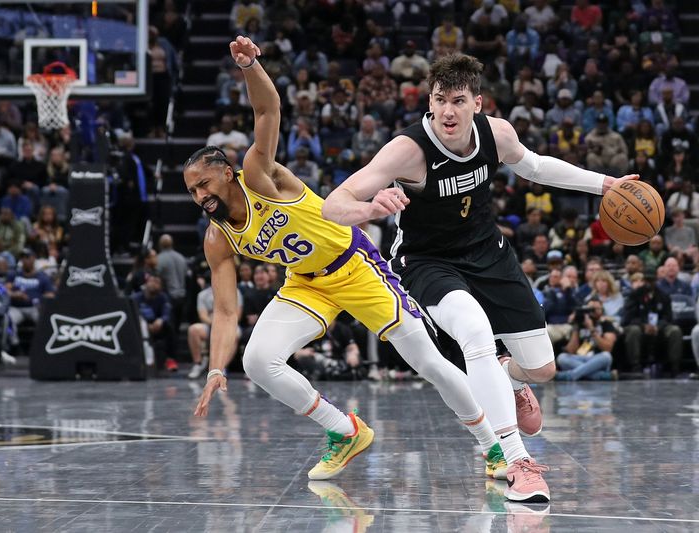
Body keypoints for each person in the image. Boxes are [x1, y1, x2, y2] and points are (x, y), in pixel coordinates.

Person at [185, 37, 510, 495]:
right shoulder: (217, 237)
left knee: (428, 362)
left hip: (354, 264)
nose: (200, 196)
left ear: (226, 173)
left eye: (203, 184)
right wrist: (217, 368)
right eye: (192, 191)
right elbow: (224, 311)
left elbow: (267, 111)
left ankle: (492, 445)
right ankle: (344, 430)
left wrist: (250, 67)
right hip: (306, 283)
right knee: (257, 360)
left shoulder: (258, 174)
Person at [325, 53, 638, 500]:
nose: (447, 111)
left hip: (488, 252)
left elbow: (536, 166)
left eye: (457, 100)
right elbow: (331, 205)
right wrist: (368, 209)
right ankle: (515, 461)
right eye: (439, 100)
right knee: (475, 333)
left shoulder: (497, 133)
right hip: (428, 261)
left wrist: (606, 185)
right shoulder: (408, 149)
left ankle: (511, 380)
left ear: (477, 102)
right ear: (429, 102)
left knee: (544, 369)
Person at [555, 297, 617, 381]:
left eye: (596, 309)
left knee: (607, 356)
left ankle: (570, 375)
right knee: (562, 358)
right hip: (580, 357)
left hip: (597, 358)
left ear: (602, 310)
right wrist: (576, 327)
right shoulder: (579, 324)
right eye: (590, 309)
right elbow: (571, 351)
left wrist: (591, 328)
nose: (593, 311)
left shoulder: (606, 324)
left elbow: (607, 348)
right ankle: (601, 376)